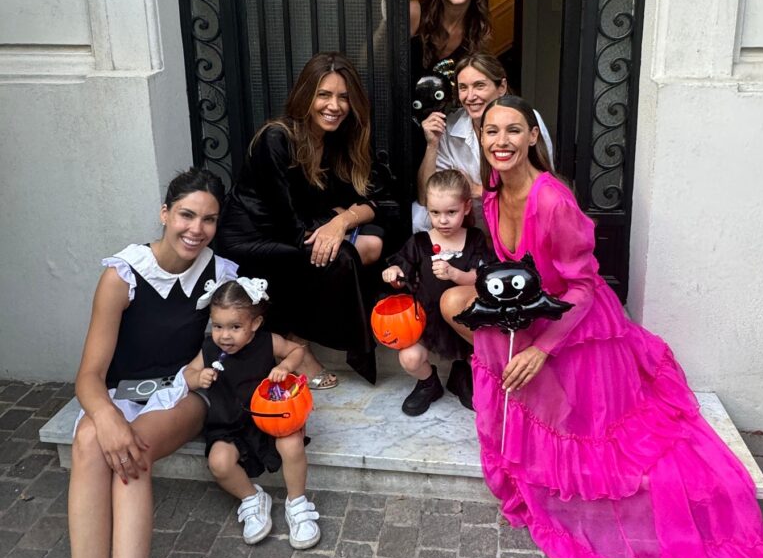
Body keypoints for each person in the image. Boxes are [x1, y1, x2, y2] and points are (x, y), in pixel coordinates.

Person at [442, 96, 763, 558]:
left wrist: (541, 349)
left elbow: (581, 287)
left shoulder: (553, 200)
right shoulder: (492, 197)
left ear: (531, 138)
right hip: (537, 311)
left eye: (513, 130)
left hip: (579, 328)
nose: (501, 141)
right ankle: (522, 422)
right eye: (491, 131)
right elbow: (517, 272)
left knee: (616, 447)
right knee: (478, 325)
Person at [39, 168, 236, 558]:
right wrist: (104, 417)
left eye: (208, 219)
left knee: (134, 451)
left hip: (185, 396)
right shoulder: (122, 275)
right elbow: (89, 376)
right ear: (164, 212)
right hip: (121, 396)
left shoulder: (221, 275)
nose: (196, 229)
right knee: (90, 438)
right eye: (187, 215)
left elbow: (229, 349)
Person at [218, 52, 385, 388]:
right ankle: (297, 345)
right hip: (250, 239)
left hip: (291, 230)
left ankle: (295, 336)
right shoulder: (276, 138)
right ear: (306, 95)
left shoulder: (334, 141)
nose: (334, 106)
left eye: (343, 97)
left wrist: (341, 221)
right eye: (324, 94)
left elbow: (374, 202)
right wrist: (332, 227)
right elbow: (286, 222)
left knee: (370, 242)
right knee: (340, 257)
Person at [182, 277, 320, 549]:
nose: (225, 335)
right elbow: (187, 374)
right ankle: (252, 498)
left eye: (235, 327)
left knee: (292, 445)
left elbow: (297, 350)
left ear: (255, 324)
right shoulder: (209, 349)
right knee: (219, 463)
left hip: (270, 418)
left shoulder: (268, 342)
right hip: (229, 422)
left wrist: (285, 367)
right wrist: (198, 377)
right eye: (218, 326)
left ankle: (296, 502)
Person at [381, 169, 492, 415]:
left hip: (463, 321)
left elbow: (482, 277)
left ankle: (462, 374)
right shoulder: (420, 242)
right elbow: (403, 274)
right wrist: (394, 274)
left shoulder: (474, 239)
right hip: (427, 321)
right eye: (435, 213)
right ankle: (429, 383)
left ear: (466, 207)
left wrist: (455, 274)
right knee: (409, 358)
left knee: (480, 354)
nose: (443, 220)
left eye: (451, 212)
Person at [414, 53, 554, 231]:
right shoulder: (450, 126)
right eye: (463, 88)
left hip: (514, 217)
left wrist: (475, 189)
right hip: (466, 223)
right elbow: (426, 198)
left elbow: (541, 189)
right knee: (418, 217)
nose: (470, 96)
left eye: (479, 86)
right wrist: (432, 144)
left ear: (501, 87)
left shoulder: (525, 119)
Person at [408, 0, 491, 194]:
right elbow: (376, 63)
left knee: (432, 196)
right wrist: (383, 27)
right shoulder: (415, 13)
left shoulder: (479, 30)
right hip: (401, 121)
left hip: (438, 128)